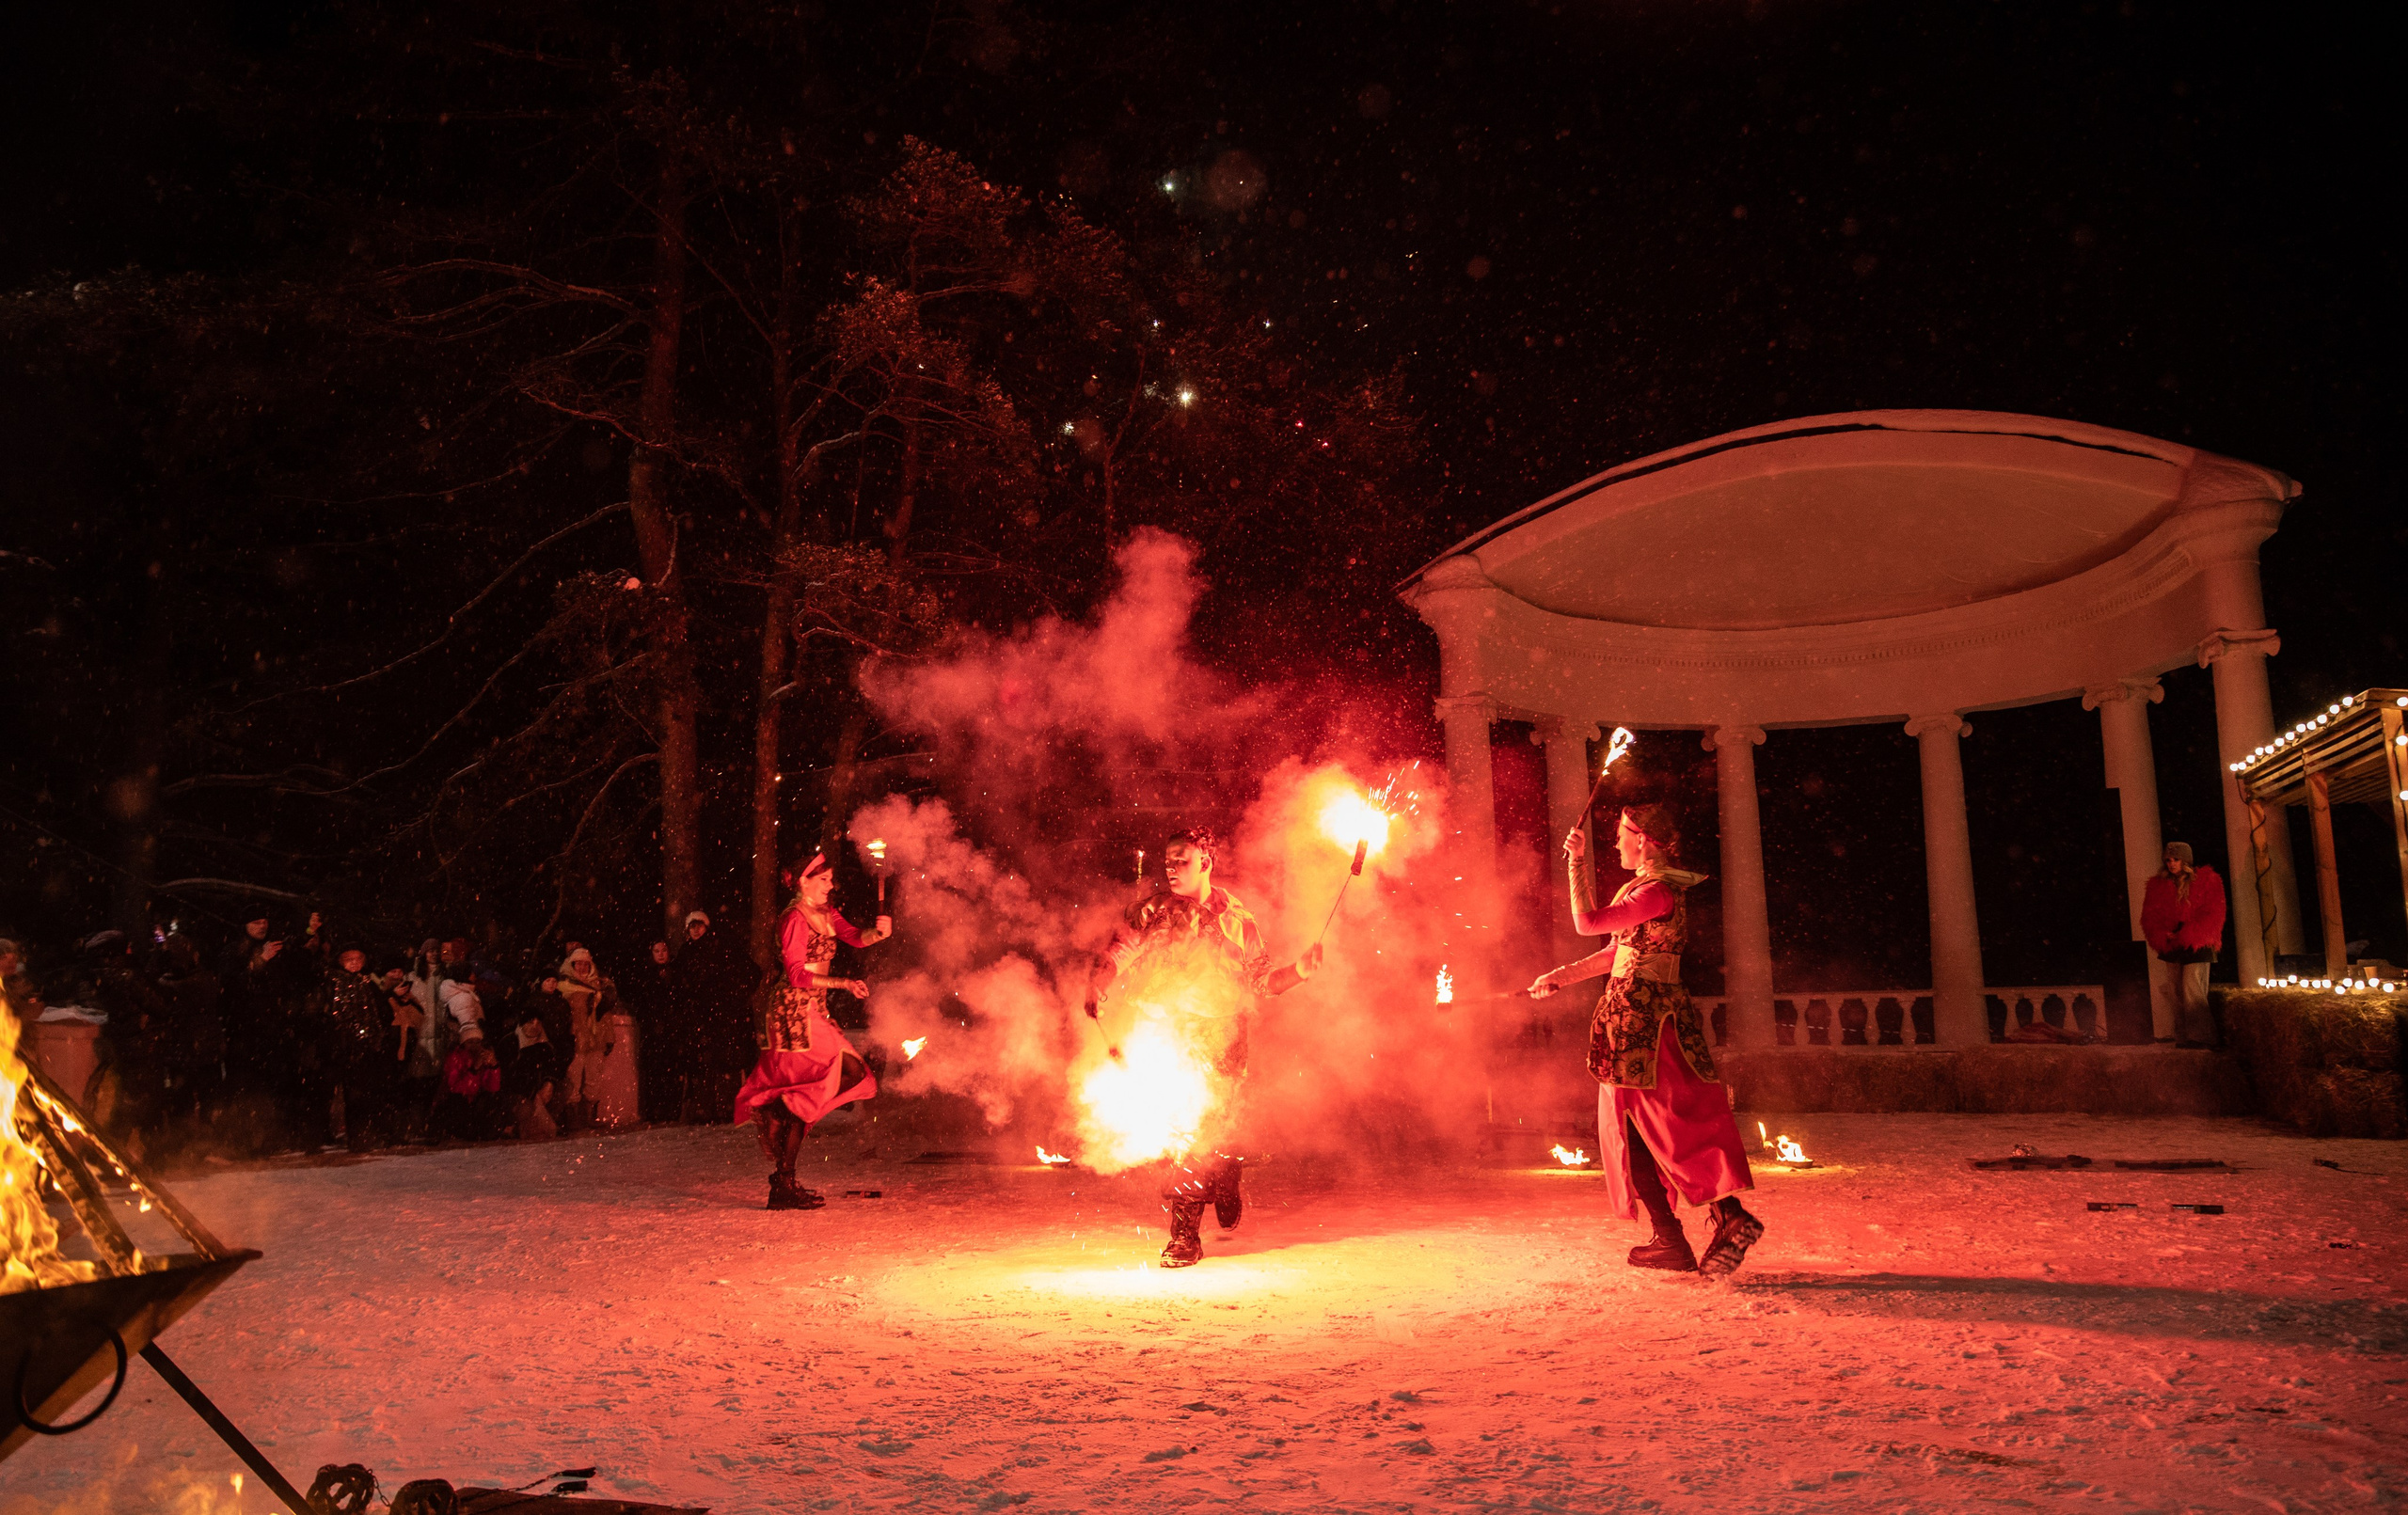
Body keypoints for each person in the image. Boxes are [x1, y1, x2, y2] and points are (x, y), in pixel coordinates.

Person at [1529, 804, 1763, 1276]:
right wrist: (1561, 976)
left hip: (1642, 1023)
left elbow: (1587, 923)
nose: (1616, 844)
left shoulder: (1657, 890)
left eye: (1621, 835)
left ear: (1646, 840)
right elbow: (1617, 950)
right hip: (1642, 1018)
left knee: (1642, 1126)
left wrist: (1575, 863)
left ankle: (1680, 1235)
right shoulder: (1646, 891)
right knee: (1652, 1124)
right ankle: (1711, 1220)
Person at [1087, 828, 1323, 1269]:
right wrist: (1098, 981)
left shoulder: (1237, 920)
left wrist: (1299, 972)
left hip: (1222, 1035)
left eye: (1182, 861)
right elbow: (1118, 950)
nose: (1171, 870)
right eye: (1168, 861)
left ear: (1206, 863)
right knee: (1182, 1131)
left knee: (1214, 1129)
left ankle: (1226, 1171)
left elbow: (1260, 981)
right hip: (1165, 1027)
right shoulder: (1152, 911)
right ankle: (1185, 1234)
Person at [735, 852, 891, 1210]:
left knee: (843, 1078)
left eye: (831, 879)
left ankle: (781, 1140)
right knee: (842, 1074)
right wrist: (843, 983)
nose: (830, 886)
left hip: (814, 1009)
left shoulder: (826, 914)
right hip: (791, 1010)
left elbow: (855, 936)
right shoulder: (794, 918)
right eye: (823, 880)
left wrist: (878, 934)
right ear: (803, 881)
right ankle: (783, 1173)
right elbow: (795, 974)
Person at [2141, 841, 2226, 1048]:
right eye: (2168, 860)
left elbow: (2214, 912)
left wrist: (2190, 932)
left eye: (2176, 859)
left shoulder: (2207, 880)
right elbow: (2150, 915)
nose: (2171, 864)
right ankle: (2184, 1037)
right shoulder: (2158, 885)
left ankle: (2203, 1036)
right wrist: (2163, 933)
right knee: (2177, 992)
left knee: (2192, 989)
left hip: (2197, 943)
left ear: (2185, 860)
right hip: (2173, 944)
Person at [322, 948, 394, 1151]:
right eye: (349, 959)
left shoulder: (367, 983)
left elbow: (383, 1012)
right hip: (347, 1049)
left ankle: (369, 1135)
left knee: (369, 1094)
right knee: (353, 1096)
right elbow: (335, 1016)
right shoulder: (336, 982)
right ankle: (357, 1138)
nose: (354, 963)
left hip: (369, 1048)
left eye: (358, 959)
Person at [554, 946, 615, 1130]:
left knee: (593, 1079)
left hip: (595, 1039)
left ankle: (589, 1117)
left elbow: (605, 1016)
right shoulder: (563, 986)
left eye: (585, 964)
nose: (581, 967)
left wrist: (609, 1037)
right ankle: (573, 1120)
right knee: (573, 1079)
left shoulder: (598, 986)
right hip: (576, 1040)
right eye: (578, 964)